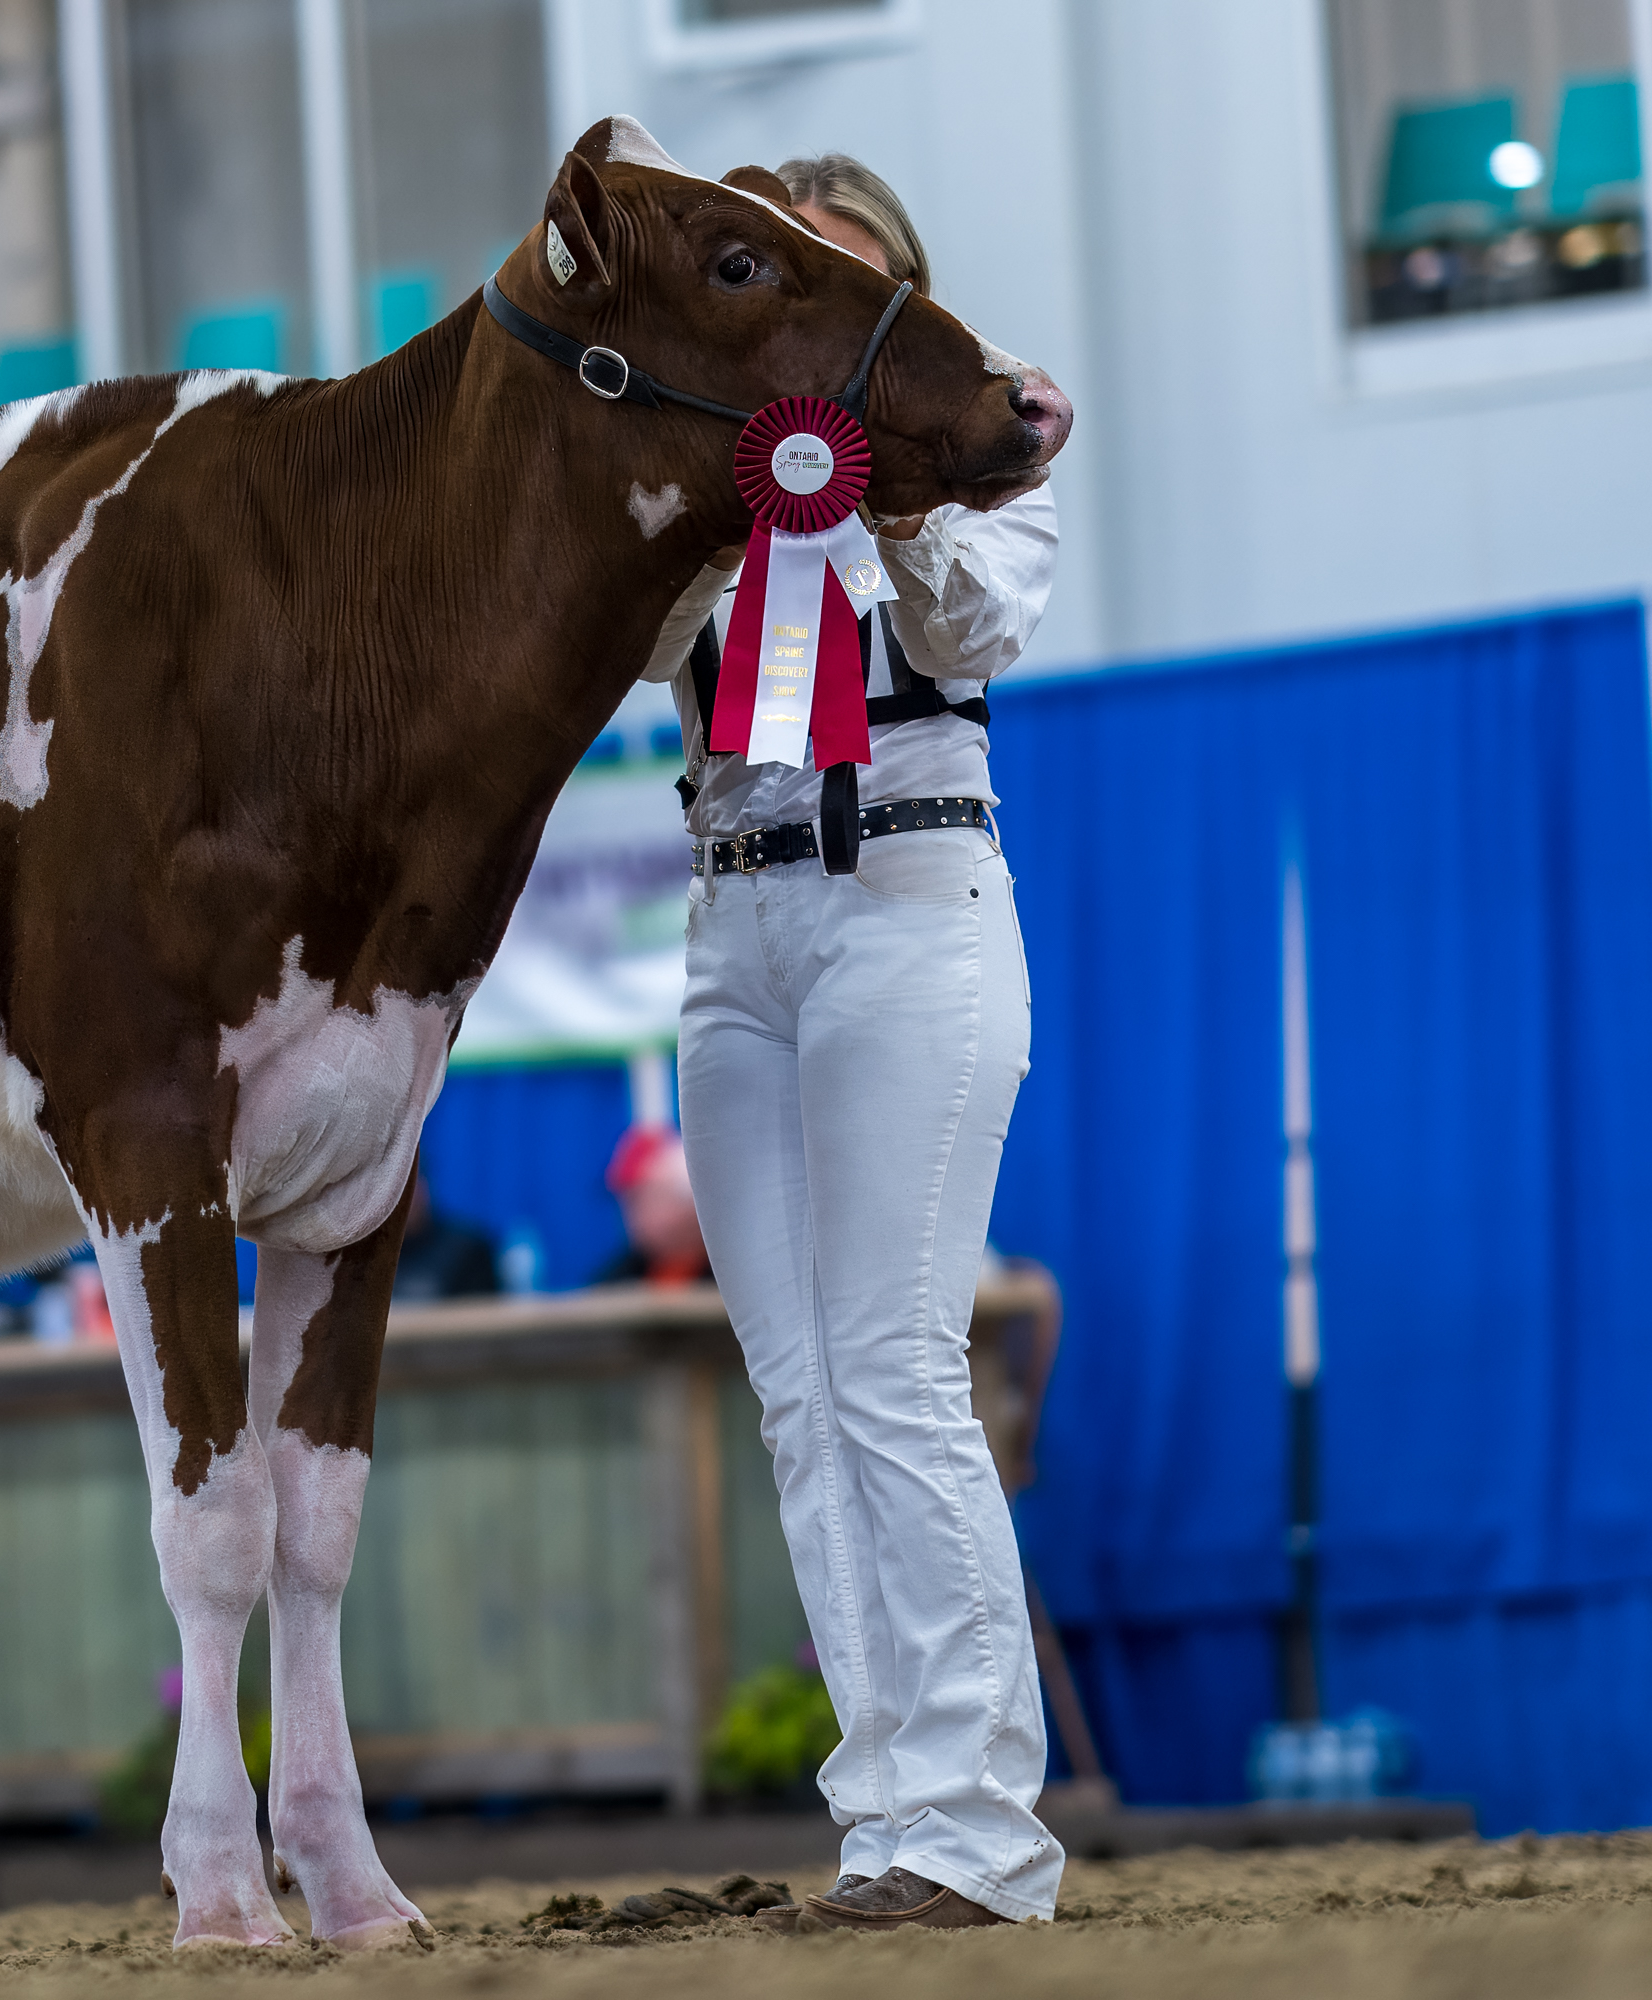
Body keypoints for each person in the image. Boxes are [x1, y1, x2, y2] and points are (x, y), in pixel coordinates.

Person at [645, 154, 1062, 1931]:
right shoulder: (708, 477)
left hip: (907, 894)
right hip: (731, 925)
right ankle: (887, 1817)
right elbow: (626, 650)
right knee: (802, 1398)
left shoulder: (989, 446)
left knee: (894, 1366)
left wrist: (883, 490)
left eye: (847, 278)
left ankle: (982, 1831)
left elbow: (979, 628)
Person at [594, 1124, 710, 1286]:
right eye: (626, 1202)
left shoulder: (732, 1273)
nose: (631, 1217)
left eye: (638, 1200)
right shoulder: (616, 1280)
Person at [387, 1165, 504, 1302]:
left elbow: (483, 1311)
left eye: (405, 1185)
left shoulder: (467, 1249)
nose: (397, 1199)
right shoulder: (370, 1253)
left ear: (423, 1187)